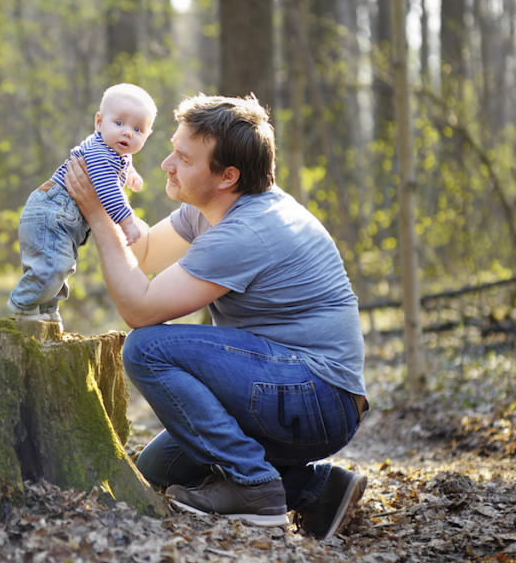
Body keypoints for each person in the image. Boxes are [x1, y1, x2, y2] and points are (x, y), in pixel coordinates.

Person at [63, 93, 368, 539]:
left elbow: (139, 308)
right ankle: (315, 488)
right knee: (158, 472)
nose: (166, 163)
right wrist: (108, 205)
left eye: (184, 159)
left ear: (228, 176)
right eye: (172, 148)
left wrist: (96, 212)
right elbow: (144, 253)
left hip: (317, 396)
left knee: (147, 349)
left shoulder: (248, 231)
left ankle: (255, 488)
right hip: (291, 388)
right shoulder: (209, 209)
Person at [8, 83, 157, 330]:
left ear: (147, 135)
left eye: (137, 129)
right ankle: (22, 305)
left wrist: (130, 173)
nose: (128, 133)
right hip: (51, 211)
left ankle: (46, 309)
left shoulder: (114, 152)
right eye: (119, 123)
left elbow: (120, 166)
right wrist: (127, 222)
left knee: (63, 264)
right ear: (99, 122)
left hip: (62, 217)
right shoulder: (99, 154)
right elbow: (108, 192)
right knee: (51, 265)